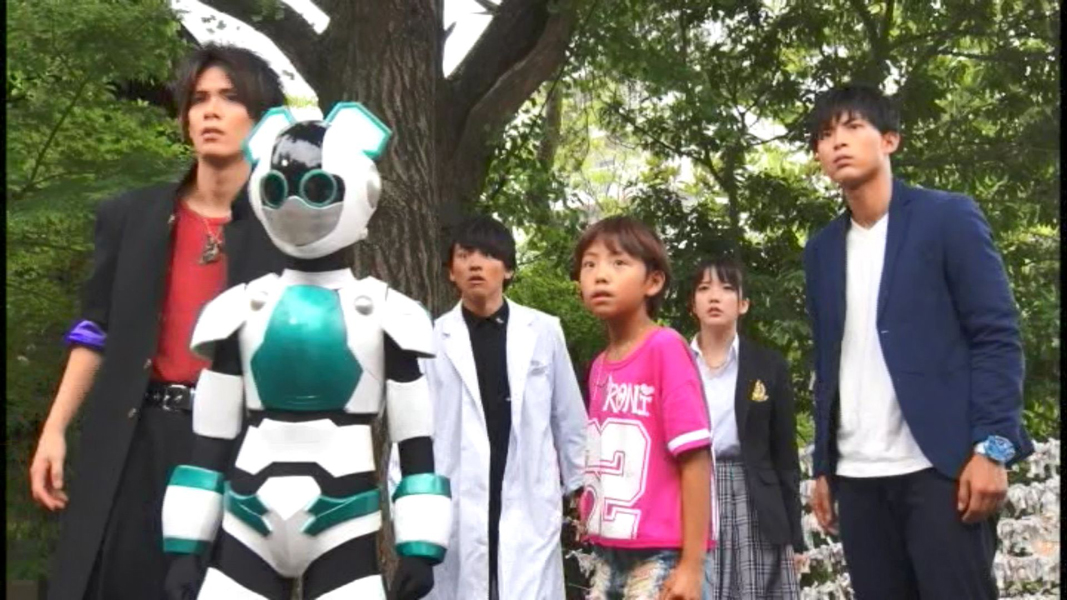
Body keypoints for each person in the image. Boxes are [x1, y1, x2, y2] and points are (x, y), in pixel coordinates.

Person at [29, 44, 288, 600]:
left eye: (230, 98)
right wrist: (54, 429)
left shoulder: (285, 234)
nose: (210, 111)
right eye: (198, 99)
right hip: (136, 437)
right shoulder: (133, 215)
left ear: (263, 120)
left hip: (238, 450)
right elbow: (94, 328)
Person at [160, 101, 449, 599]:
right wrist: (186, 546)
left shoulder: (389, 314)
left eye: (317, 190)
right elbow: (208, 442)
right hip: (247, 513)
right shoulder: (240, 309)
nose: (296, 205)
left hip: (345, 519)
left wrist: (420, 546)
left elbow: (416, 444)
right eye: (279, 190)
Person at [802, 83, 1032, 599]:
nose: (838, 142)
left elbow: (995, 335)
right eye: (825, 134)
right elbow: (828, 362)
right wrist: (823, 467)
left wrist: (992, 447)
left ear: (889, 140)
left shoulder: (946, 218)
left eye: (853, 126)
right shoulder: (820, 251)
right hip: (857, 478)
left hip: (941, 469)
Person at [392, 215, 588, 600]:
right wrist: (413, 531)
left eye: (488, 255)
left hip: (527, 501)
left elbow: (569, 421)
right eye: (464, 256)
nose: (476, 265)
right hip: (456, 505)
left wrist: (582, 491)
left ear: (509, 269)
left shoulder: (544, 331)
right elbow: (409, 435)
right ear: (451, 271)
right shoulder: (430, 340)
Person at [574, 216, 714, 600]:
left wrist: (692, 565)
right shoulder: (599, 366)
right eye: (590, 264)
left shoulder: (665, 348)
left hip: (661, 553)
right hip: (608, 550)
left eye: (619, 262)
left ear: (653, 281)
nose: (601, 275)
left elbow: (695, 458)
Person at [686, 256, 803, 599]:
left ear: (743, 304)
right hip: (692, 490)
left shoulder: (769, 365)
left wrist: (795, 536)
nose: (714, 297)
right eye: (704, 288)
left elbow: (785, 457)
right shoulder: (674, 361)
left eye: (726, 288)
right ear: (693, 304)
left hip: (754, 498)